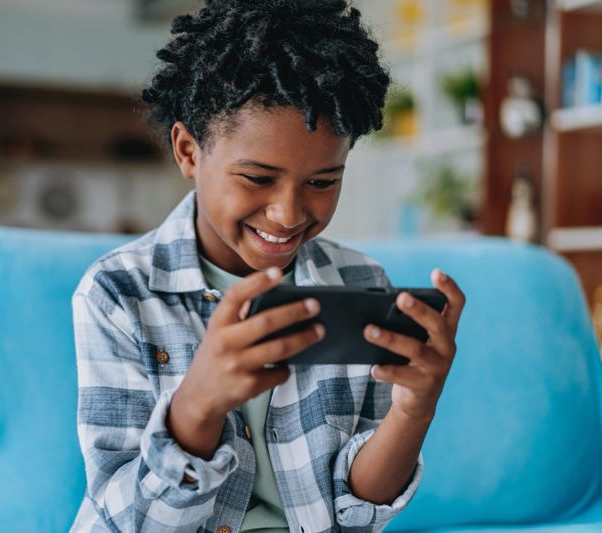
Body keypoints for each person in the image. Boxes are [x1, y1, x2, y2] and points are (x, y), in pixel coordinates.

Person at [70, 1, 466, 531]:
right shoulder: (118, 293)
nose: (288, 214)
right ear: (188, 151)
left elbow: (357, 512)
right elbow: (124, 520)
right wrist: (197, 408)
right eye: (257, 178)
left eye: (323, 182)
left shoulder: (361, 284)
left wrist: (414, 410)